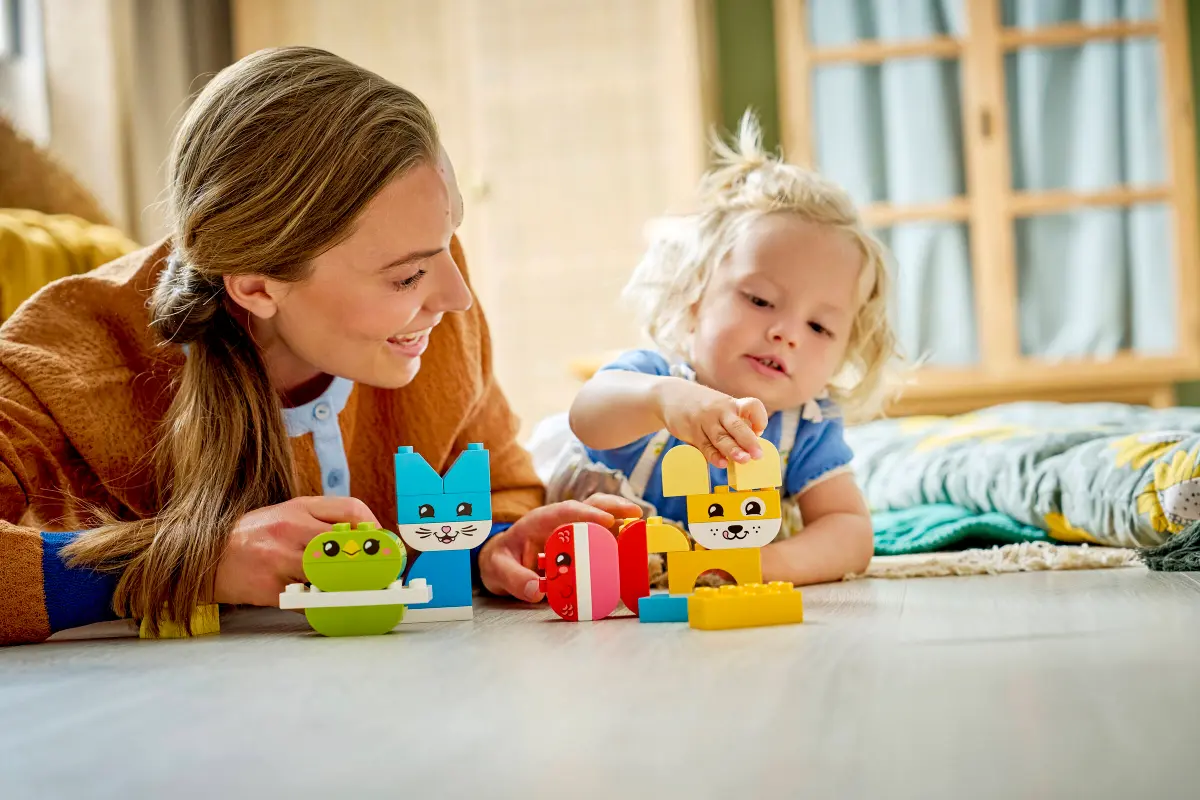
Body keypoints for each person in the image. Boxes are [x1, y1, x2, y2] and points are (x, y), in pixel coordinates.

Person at [0, 46, 637, 645]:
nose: (457, 297)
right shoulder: (64, 362)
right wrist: (189, 561)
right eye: (407, 277)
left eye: (448, 242)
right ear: (257, 287)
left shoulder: (432, 313)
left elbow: (503, 486)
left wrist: (491, 545)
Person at [558, 113, 899, 585]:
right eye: (759, 300)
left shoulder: (805, 427)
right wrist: (664, 401)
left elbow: (849, 532)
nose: (787, 334)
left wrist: (761, 565)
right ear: (695, 296)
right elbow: (587, 416)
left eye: (819, 326)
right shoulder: (654, 377)